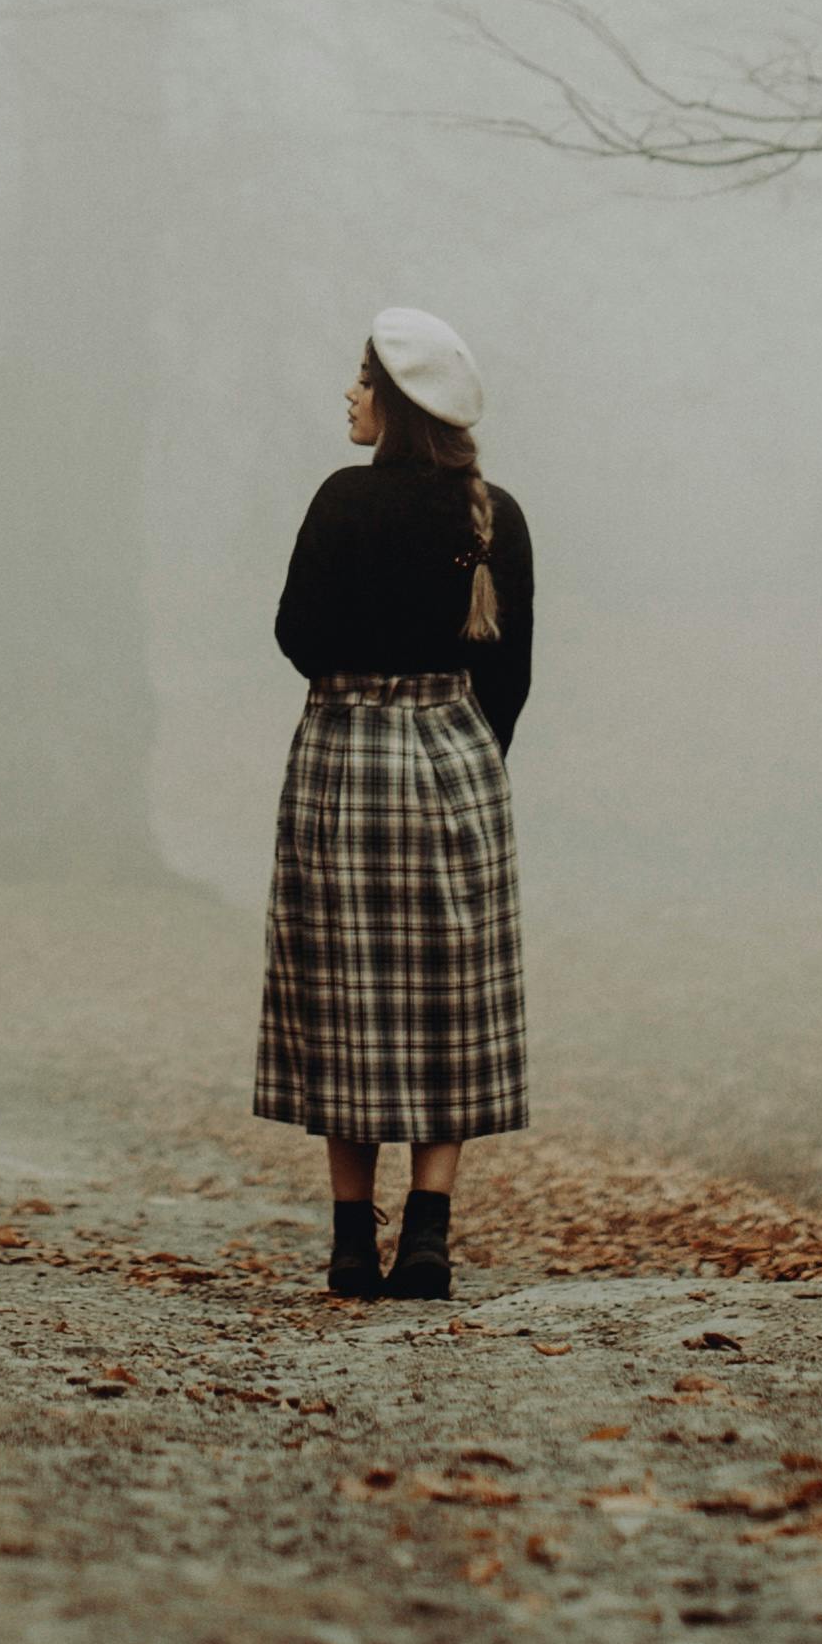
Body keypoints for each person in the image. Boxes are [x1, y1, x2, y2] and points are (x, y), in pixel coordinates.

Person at [253, 303, 533, 1305]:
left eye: (362, 378)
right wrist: (461, 756)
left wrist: (354, 699)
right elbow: (510, 674)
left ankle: (344, 1244)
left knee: (346, 999)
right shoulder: (490, 514)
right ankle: (427, 1236)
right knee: (445, 998)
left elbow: (296, 633)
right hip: (454, 762)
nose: (350, 392)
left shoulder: (340, 502)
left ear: (399, 401)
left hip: (343, 756)